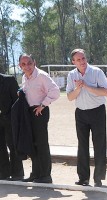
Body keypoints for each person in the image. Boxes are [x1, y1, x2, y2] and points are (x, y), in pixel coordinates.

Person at [66, 48, 107, 187]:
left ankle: (98, 178)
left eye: (83, 58)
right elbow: (69, 97)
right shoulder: (71, 75)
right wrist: (78, 89)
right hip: (80, 112)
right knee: (82, 145)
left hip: (97, 111)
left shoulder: (96, 72)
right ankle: (83, 178)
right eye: (78, 60)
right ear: (73, 62)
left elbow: (106, 91)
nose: (82, 62)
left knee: (99, 144)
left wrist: (86, 86)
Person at [19, 54, 60, 183]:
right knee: (33, 143)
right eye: (24, 64)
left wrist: (43, 105)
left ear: (34, 62)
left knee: (41, 143)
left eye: (29, 63)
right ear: (20, 66)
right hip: (29, 113)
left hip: (40, 111)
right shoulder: (24, 77)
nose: (27, 66)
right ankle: (36, 173)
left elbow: (55, 91)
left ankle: (45, 175)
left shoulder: (42, 75)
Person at [0, 72, 23, 181]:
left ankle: (17, 173)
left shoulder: (9, 80)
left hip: (10, 119)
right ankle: (3, 173)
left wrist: (12, 116)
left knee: (13, 145)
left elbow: (18, 100)